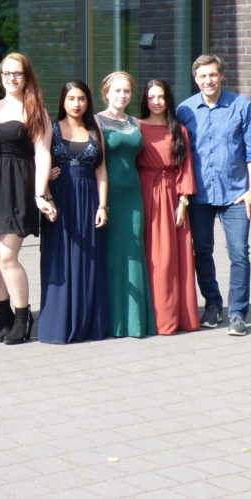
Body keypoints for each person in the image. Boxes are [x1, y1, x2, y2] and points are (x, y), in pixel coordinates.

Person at [177, 54, 251, 336]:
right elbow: (179, 153)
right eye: (202, 76)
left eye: (213, 74)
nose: (208, 80)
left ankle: (238, 313)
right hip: (199, 196)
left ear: (221, 75)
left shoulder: (241, 106)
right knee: (202, 251)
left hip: (236, 194)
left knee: (239, 253)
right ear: (195, 79)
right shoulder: (185, 110)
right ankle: (213, 305)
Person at [0, 53, 54, 345]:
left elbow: (43, 154)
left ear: (26, 77)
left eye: (17, 73)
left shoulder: (35, 110)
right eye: (6, 73)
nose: (11, 78)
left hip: (18, 186)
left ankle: (23, 318)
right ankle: (4, 317)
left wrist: (40, 194)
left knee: (6, 256)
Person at [39, 80, 108, 344]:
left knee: (88, 260)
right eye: (71, 99)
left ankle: (87, 323)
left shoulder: (94, 130)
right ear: (63, 101)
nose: (76, 104)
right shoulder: (52, 128)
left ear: (88, 101)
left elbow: (101, 170)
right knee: (59, 259)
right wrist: (47, 192)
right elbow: (41, 161)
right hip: (60, 200)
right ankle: (58, 324)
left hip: (88, 200)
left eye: (81, 98)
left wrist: (102, 206)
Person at [137, 79, 200, 335]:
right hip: (142, 193)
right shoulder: (136, 127)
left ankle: (171, 316)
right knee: (147, 256)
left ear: (168, 99)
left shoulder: (179, 129)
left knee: (169, 258)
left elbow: (186, 167)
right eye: (151, 97)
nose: (156, 102)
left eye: (161, 97)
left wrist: (183, 202)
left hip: (171, 196)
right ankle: (147, 316)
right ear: (145, 99)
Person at [96, 71, 155, 338]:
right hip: (107, 195)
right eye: (117, 91)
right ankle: (113, 321)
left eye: (127, 91)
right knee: (111, 254)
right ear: (106, 93)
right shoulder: (96, 121)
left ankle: (135, 320)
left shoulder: (136, 122)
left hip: (133, 196)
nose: (122, 95)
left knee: (133, 250)